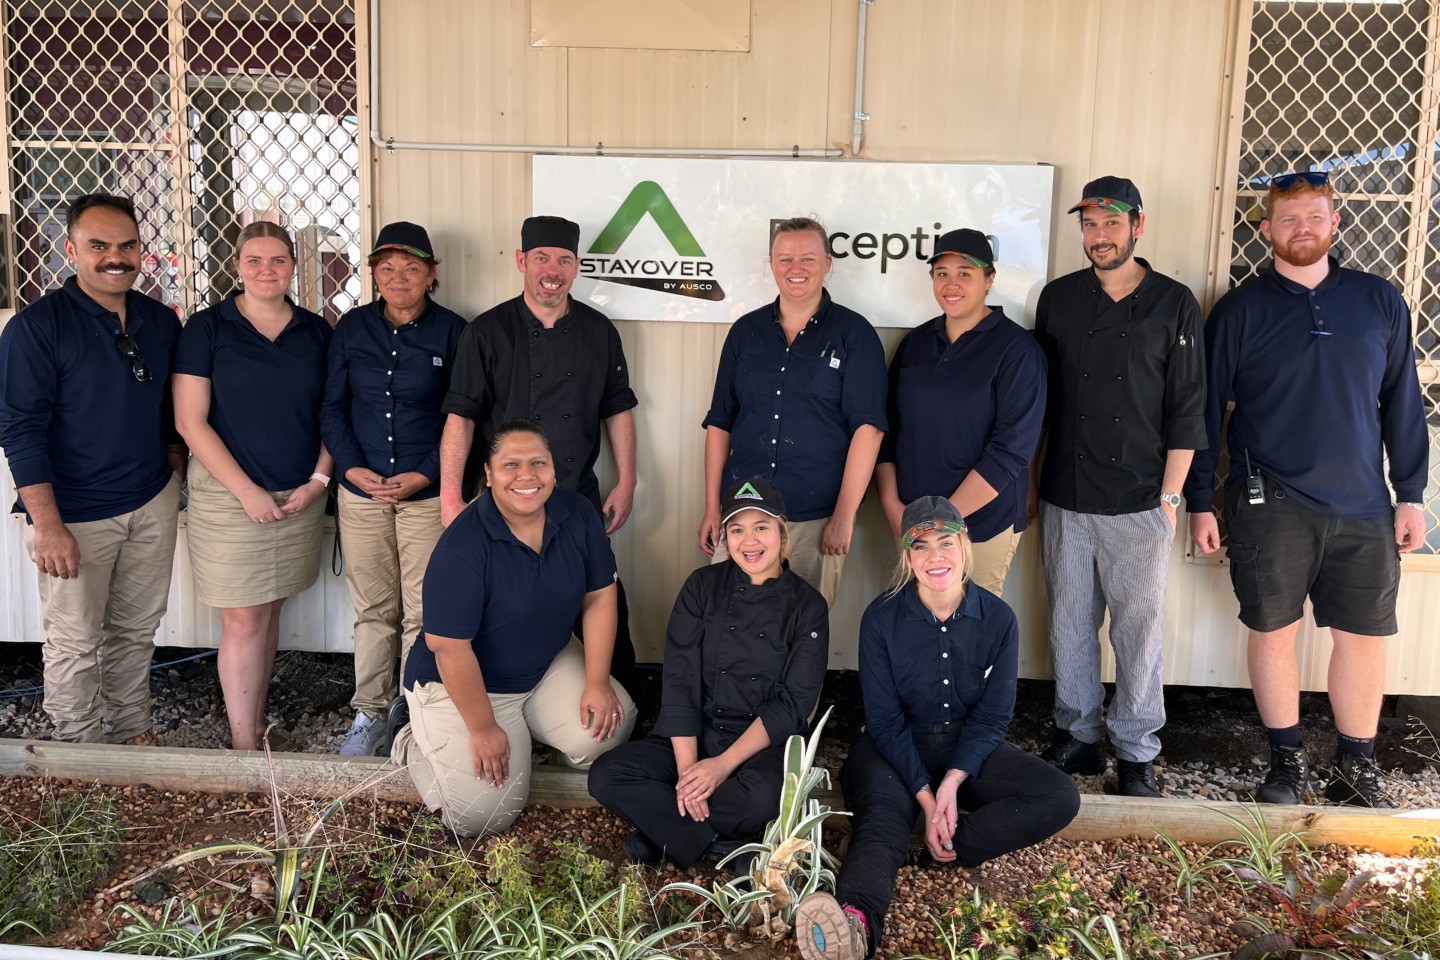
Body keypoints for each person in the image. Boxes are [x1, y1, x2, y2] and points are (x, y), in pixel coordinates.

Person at [1185, 171, 1430, 807]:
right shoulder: (1239, 310)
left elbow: (1403, 402)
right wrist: (1199, 501)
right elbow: (1203, 412)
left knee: (1362, 637)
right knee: (1273, 632)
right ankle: (1286, 764)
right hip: (1271, 501)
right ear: (1267, 229)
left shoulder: (1379, 301)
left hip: (1364, 504)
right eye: (1289, 219)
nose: (1303, 229)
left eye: (1315, 217)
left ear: (1334, 223)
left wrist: (1410, 493)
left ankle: (1356, 768)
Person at [794, 497, 1080, 960]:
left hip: (966, 746)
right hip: (891, 748)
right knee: (882, 824)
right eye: (921, 546)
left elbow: (993, 717)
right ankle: (854, 925)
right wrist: (927, 800)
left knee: (1059, 795)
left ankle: (948, 845)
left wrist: (952, 783)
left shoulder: (999, 619)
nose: (935, 557)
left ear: (964, 546)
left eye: (946, 543)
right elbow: (885, 721)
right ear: (907, 557)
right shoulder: (882, 618)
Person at [1029, 176, 1206, 798]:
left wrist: (1171, 498)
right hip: (1067, 492)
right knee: (1069, 622)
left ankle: (1136, 751)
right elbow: (1041, 404)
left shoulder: (1174, 302)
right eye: (1089, 224)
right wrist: (1033, 484)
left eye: (1111, 223)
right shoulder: (1059, 298)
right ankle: (1078, 734)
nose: (1099, 235)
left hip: (1140, 498)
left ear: (1138, 225)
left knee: (1138, 630)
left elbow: (1188, 407)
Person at [0, 193, 184, 745]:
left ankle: (131, 732)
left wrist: (173, 470)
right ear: (71, 249)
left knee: (136, 630)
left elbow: (170, 407)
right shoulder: (37, 328)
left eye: (127, 245)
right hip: (73, 514)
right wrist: (48, 525)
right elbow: (20, 430)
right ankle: (78, 751)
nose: (115, 257)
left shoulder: (158, 319)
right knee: (75, 639)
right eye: (99, 245)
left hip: (150, 499)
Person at [396, 418, 635, 837]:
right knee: (486, 816)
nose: (527, 476)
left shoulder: (578, 513)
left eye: (538, 463)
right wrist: (483, 728)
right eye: (511, 465)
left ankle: (526, 728)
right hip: (465, 684)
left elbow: (600, 596)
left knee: (610, 728)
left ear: (553, 470)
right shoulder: (464, 544)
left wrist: (597, 682)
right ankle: (409, 739)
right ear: (488, 475)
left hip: (543, 664)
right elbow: (449, 648)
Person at [438, 216, 640, 691]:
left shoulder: (598, 331)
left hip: (576, 497)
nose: (553, 271)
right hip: (504, 500)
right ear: (521, 261)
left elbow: (618, 408)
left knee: (602, 596)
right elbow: (460, 418)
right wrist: (450, 497)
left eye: (564, 260)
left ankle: (619, 700)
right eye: (542, 258)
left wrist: (628, 480)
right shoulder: (487, 332)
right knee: (506, 603)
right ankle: (511, 697)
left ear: (576, 267)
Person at [588, 477, 828, 868]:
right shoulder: (701, 587)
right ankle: (719, 844)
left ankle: (664, 833)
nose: (749, 541)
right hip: (697, 733)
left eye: (761, 527)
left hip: (760, 748)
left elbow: (793, 703)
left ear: (782, 534)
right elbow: (680, 679)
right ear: (725, 537)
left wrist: (721, 766)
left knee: (763, 798)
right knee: (606, 774)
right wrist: (689, 774)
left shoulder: (808, 606)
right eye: (737, 530)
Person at [173, 221, 334, 751]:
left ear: (294, 266)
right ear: (237, 266)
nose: (267, 270)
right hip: (230, 498)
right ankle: (245, 749)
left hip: (299, 497)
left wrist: (319, 480)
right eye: (255, 260)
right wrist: (246, 491)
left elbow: (334, 413)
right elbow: (190, 421)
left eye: (278, 260)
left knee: (270, 610)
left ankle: (258, 724)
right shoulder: (207, 328)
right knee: (243, 619)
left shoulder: (316, 331)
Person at [322, 222, 467, 756]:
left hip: (426, 495)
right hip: (362, 494)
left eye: (411, 268)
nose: (398, 278)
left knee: (423, 612)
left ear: (431, 274)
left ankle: (412, 711)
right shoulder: (352, 328)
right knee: (374, 610)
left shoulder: (454, 331)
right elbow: (333, 406)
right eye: (387, 268)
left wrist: (427, 473)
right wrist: (351, 468)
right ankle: (369, 712)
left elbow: (463, 415)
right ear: (374, 275)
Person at [698, 216, 888, 607]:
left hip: (814, 518)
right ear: (771, 264)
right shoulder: (745, 332)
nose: (795, 268)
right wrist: (712, 507)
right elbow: (720, 422)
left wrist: (844, 516)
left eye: (807, 258)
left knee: (803, 629)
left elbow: (868, 429)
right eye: (785, 259)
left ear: (827, 263)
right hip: (743, 513)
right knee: (729, 622)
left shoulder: (854, 334)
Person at [875, 228, 1047, 596]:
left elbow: (1010, 452)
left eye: (965, 273)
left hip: (982, 525)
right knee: (917, 620)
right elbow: (885, 430)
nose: (951, 284)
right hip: (912, 524)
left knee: (972, 623)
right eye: (942, 273)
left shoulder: (1018, 351)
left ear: (990, 279)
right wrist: (892, 505)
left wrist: (941, 525)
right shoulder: (915, 343)